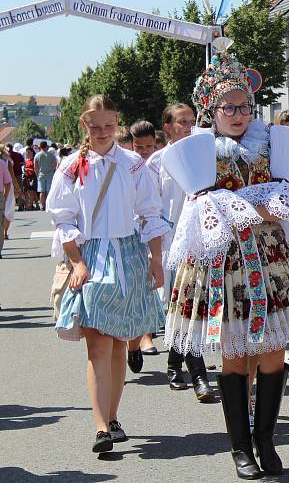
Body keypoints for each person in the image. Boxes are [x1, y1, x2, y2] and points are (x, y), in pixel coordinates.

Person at [164, 50, 289, 478]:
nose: (237, 114)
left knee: (273, 354)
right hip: (224, 263)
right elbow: (202, 207)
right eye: (228, 107)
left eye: (243, 106)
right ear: (211, 111)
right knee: (234, 355)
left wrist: (260, 207)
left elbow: (286, 195)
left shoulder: (272, 141)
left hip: (270, 259)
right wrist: (251, 207)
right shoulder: (199, 151)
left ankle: (266, 440)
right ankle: (241, 448)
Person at [47, 94, 169, 453]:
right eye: (95, 126)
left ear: (117, 122)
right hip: (92, 255)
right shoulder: (72, 167)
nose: (103, 132)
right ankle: (101, 426)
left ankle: (113, 417)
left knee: (118, 342)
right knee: (98, 342)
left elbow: (150, 212)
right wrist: (78, 262)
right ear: (85, 125)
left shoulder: (133, 164)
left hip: (128, 254)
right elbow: (62, 217)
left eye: (109, 125)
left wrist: (156, 260)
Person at [147, 103, 214, 402]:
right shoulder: (156, 163)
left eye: (192, 120)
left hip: (202, 241)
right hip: (170, 243)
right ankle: (197, 374)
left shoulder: (205, 153)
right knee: (181, 306)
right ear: (168, 127)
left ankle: (176, 362)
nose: (189, 125)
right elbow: (149, 208)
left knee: (195, 306)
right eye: (182, 121)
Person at [124, 120, 160, 370]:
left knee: (144, 292)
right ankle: (129, 345)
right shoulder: (126, 165)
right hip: (127, 235)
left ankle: (141, 338)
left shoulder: (160, 164)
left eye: (149, 146)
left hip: (153, 233)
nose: (144, 151)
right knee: (128, 293)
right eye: (139, 146)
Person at [34, 140, 57, 211]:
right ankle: (48, 205)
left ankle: (42, 205)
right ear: (46, 146)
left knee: (42, 191)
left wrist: (37, 174)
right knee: (48, 191)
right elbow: (55, 164)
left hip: (41, 174)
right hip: (49, 174)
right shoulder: (51, 155)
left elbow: (35, 166)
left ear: (40, 147)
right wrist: (52, 169)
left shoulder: (37, 155)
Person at [0, 149, 11, 257]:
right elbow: (7, 182)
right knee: (0, 224)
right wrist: (5, 195)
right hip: (0, 196)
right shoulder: (2, 163)